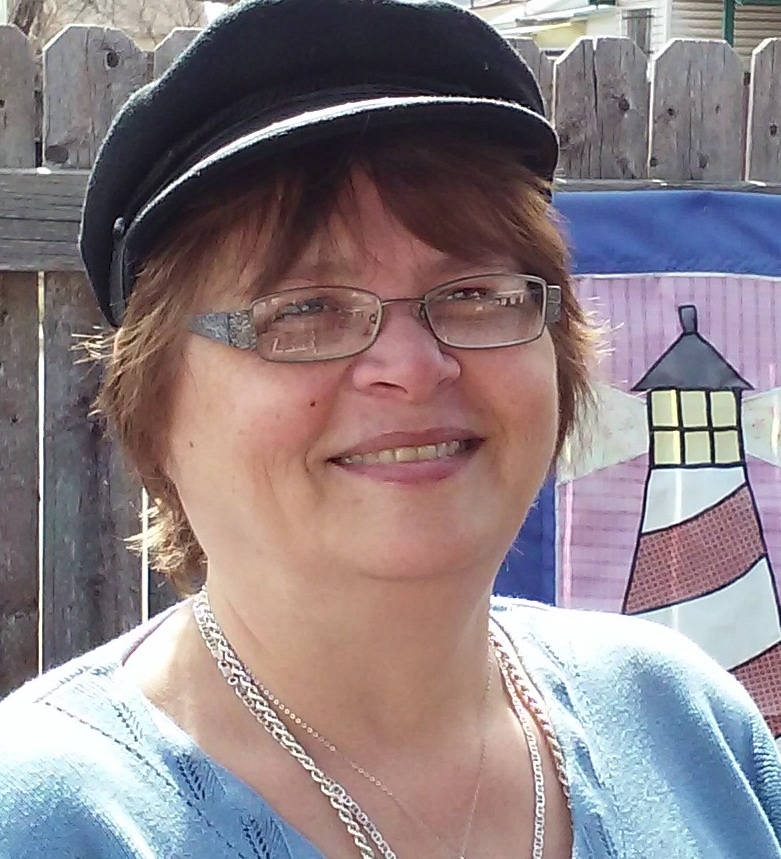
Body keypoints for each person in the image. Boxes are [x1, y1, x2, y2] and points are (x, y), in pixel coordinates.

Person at [1, 0, 780, 856]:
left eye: (474, 293)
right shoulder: (52, 819)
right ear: (154, 403)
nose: (411, 366)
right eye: (304, 311)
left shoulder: (689, 729)